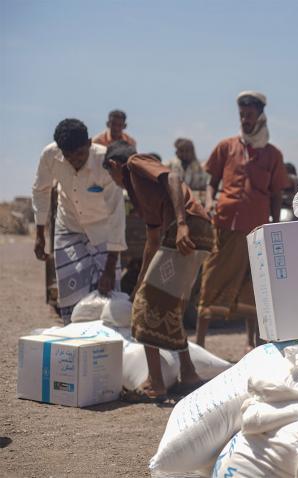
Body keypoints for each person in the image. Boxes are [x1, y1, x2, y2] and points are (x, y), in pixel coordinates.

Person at [103, 141, 213, 402]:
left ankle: (155, 384)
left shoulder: (134, 163)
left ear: (115, 165)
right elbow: (152, 240)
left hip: (188, 229)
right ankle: (188, 374)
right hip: (197, 232)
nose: (113, 180)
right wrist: (141, 279)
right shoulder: (140, 196)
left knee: (144, 308)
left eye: (110, 174)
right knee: (167, 306)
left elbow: (172, 177)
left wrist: (183, 224)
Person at [197, 91, 290, 349]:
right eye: (241, 115)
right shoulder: (226, 146)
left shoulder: (272, 155)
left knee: (254, 287)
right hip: (225, 224)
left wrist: (273, 225)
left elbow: (276, 193)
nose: (245, 120)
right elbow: (211, 182)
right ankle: (200, 345)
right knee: (211, 279)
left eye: (249, 115)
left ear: (260, 116)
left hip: (256, 229)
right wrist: (209, 203)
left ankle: (256, 346)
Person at [32, 119, 126, 323]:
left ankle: (106, 344)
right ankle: (75, 341)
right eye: (68, 157)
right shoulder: (50, 155)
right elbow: (41, 190)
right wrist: (40, 234)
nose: (75, 161)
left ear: (90, 143)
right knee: (71, 292)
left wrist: (110, 267)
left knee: (108, 295)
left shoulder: (106, 162)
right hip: (69, 226)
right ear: (60, 150)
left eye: (80, 154)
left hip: (103, 229)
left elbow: (117, 212)